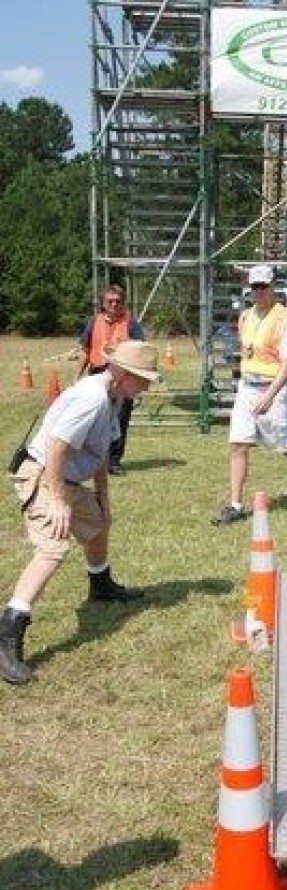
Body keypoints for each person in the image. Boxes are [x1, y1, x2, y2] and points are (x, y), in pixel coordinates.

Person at [0, 341, 160, 687]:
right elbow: (57, 447)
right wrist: (57, 501)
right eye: (142, 379)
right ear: (122, 373)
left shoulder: (114, 397)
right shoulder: (92, 398)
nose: (146, 387)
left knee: (99, 523)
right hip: (44, 475)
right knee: (53, 549)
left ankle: (100, 585)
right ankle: (9, 629)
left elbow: (99, 451)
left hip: (65, 477)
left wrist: (103, 496)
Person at [212, 263, 287, 524]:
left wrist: (270, 395)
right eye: (255, 287)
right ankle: (236, 505)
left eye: (263, 286)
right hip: (247, 389)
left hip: (274, 390)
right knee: (238, 443)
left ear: (273, 287)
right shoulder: (245, 316)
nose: (259, 291)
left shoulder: (284, 318)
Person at [77, 284, 145, 475]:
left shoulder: (131, 324)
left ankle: (114, 461)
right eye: (110, 301)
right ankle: (92, 459)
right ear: (103, 303)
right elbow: (86, 351)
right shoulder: (93, 322)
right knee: (95, 419)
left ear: (124, 303)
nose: (114, 304)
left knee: (120, 420)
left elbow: (140, 351)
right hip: (97, 377)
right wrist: (77, 378)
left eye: (118, 301)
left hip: (123, 379)